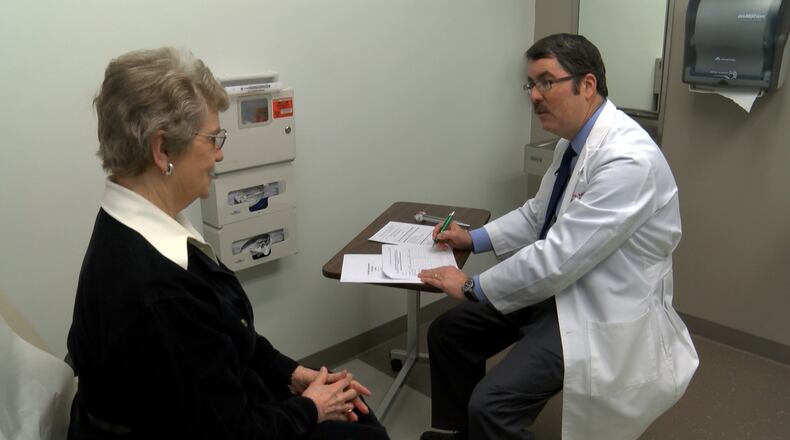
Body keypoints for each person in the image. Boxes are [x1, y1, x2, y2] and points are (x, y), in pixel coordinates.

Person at [67, 47, 389, 440]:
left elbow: (224, 329)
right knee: (364, 432)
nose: (218, 154)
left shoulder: (142, 227)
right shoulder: (156, 292)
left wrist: (290, 373)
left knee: (355, 410)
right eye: (213, 139)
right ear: (163, 148)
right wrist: (311, 408)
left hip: (219, 405)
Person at [417, 34, 699, 440]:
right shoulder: (571, 144)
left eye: (546, 82)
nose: (534, 95)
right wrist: (472, 239)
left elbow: (559, 257)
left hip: (597, 305)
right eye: (531, 84)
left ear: (587, 85)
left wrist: (474, 287)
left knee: (492, 405)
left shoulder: (628, 160)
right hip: (558, 287)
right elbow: (539, 215)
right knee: (448, 334)